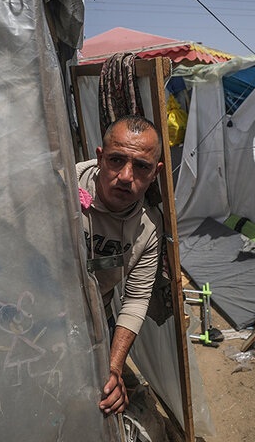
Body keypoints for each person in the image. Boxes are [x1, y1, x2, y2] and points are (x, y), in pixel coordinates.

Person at [76, 115, 164, 416]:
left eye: (141, 166)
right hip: (38, 307)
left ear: (155, 173)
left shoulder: (149, 227)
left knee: (103, 400)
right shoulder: (63, 187)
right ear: (100, 158)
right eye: (116, 160)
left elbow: (137, 299)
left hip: (97, 313)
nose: (126, 176)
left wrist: (113, 370)